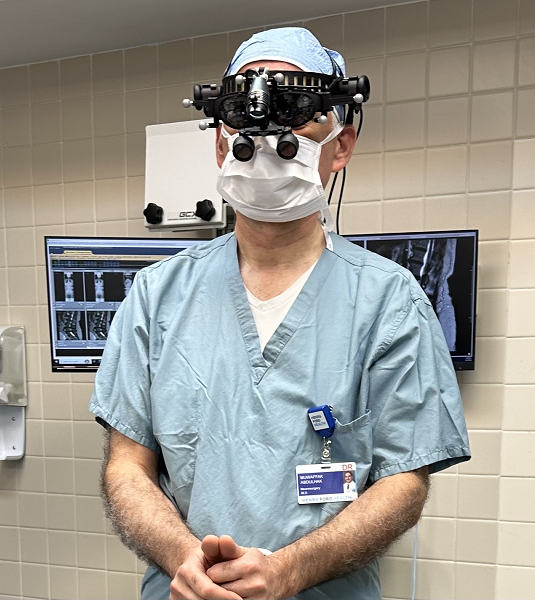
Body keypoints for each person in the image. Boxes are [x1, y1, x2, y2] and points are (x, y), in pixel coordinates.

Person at [89, 27, 471, 600]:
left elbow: (403, 480)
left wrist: (291, 569)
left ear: (340, 146)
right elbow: (126, 467)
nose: (267, 142)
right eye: (245, 121)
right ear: (222, 147)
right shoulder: (156, 296)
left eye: (297, 119)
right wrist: (185, 560)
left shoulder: (389, 301)